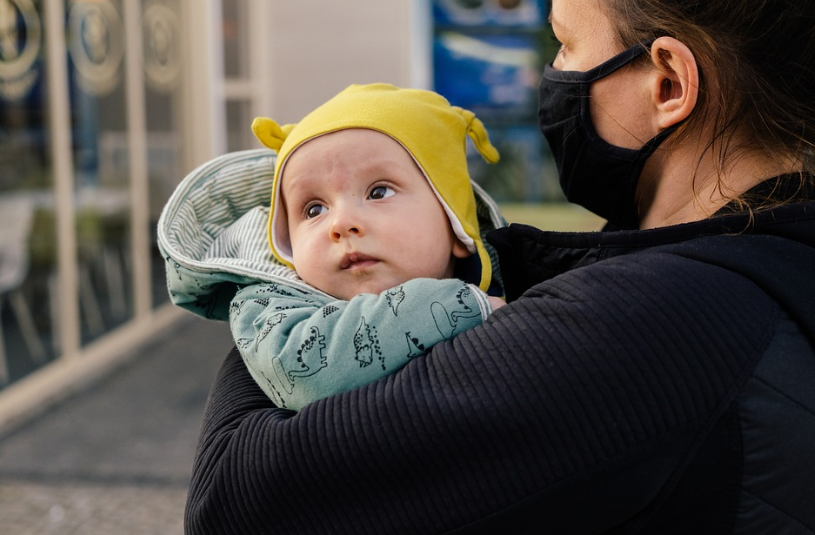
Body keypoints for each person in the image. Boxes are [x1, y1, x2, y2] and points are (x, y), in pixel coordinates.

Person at [182, 0, 815, 533]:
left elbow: (235, 500)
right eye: (312, 209)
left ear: (668, 84)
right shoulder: (754, 252)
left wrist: (273, 284)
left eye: (564, 44)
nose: (553, 72)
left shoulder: (654, 321)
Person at [158, 83, 506, 411]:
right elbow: (302, 369)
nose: (340, 224)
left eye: (379, 192)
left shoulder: (521, 281)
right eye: (314, 209)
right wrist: (461, 305)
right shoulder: (269, 307)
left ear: (456, 227)